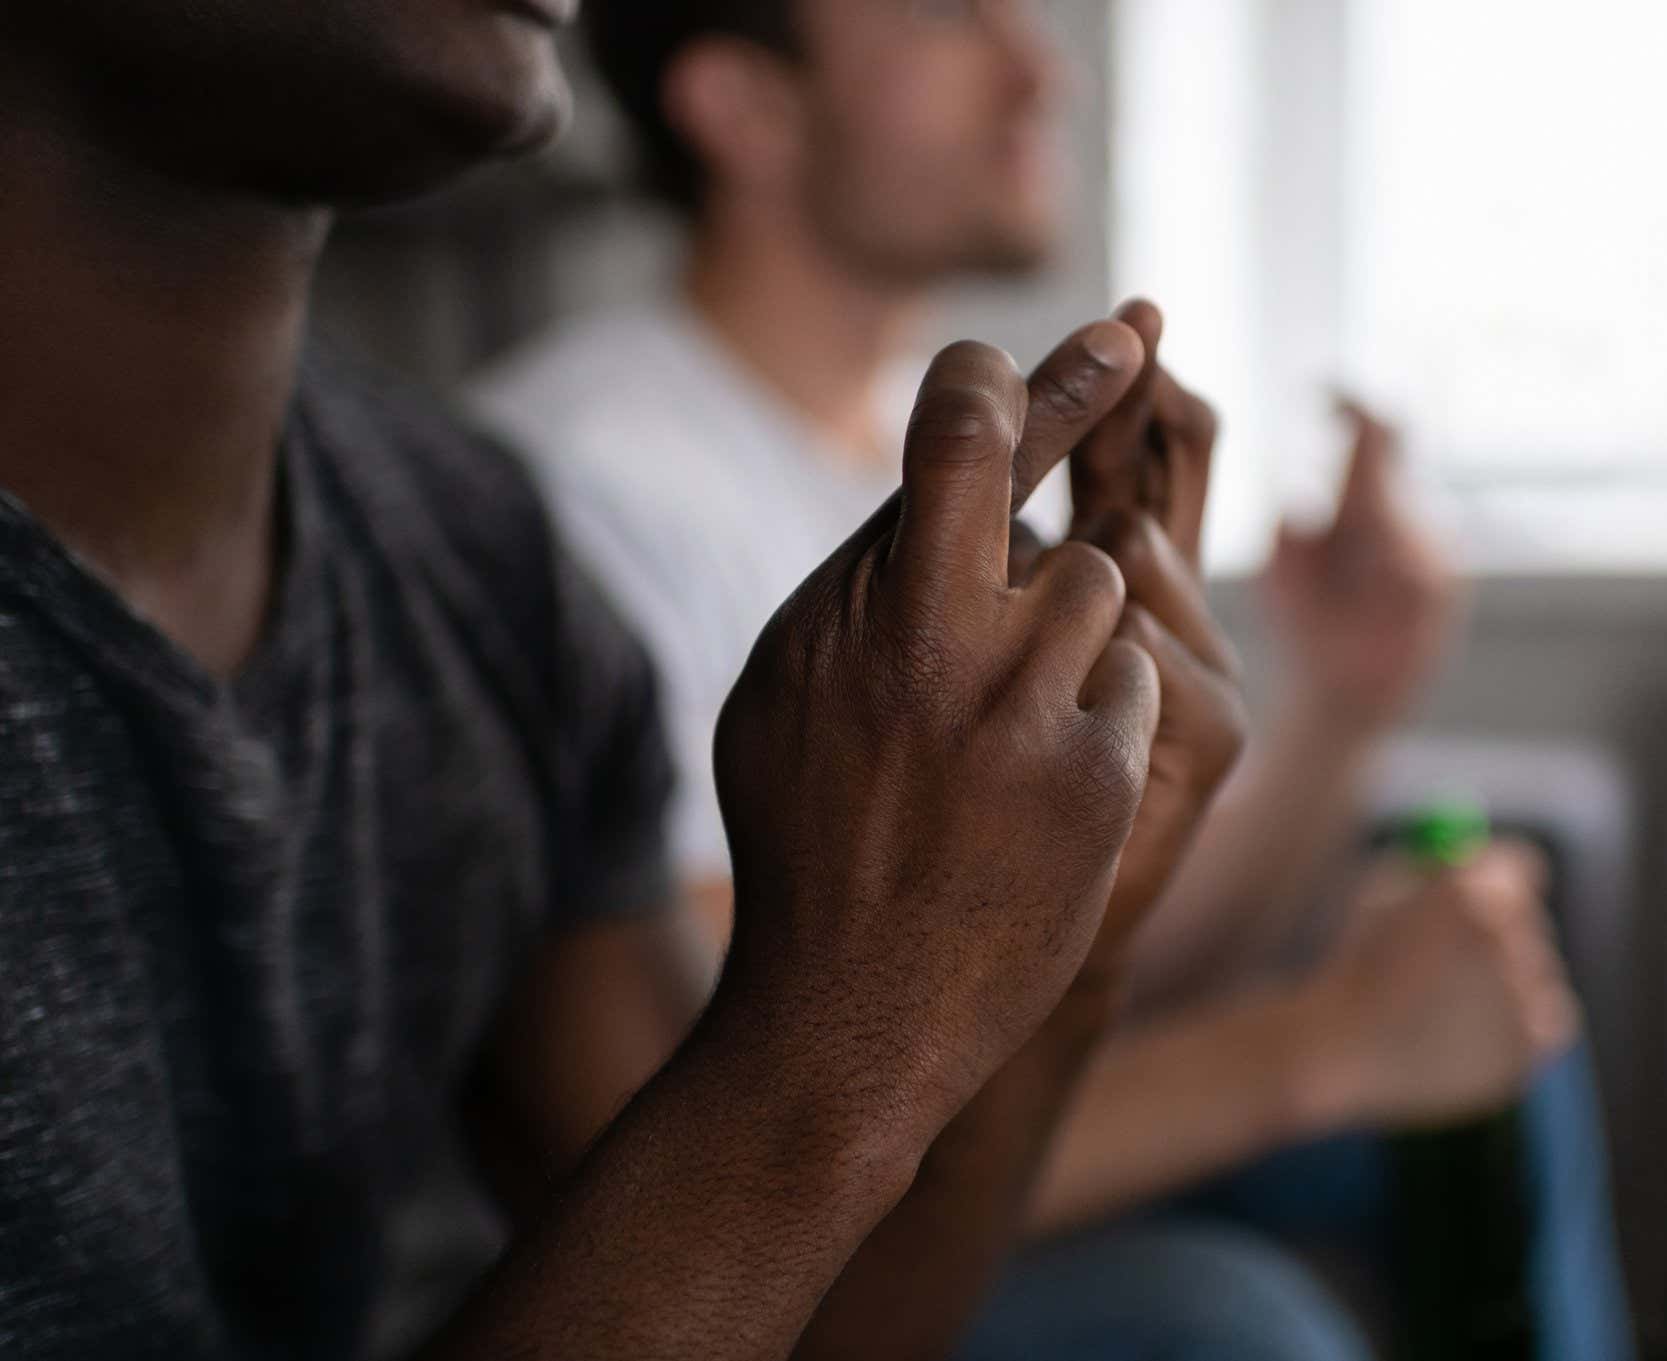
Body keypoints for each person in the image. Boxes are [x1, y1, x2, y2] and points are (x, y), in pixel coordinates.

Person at [0, 3, 1256, 1360]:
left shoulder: (477, 552)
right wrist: (851, 1038)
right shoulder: (583, 472)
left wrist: (1059, 953)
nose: (1035, 70)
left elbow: (785, 1314)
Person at [471, 1, 1632, 1356]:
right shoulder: (595, 479)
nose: (1038, 69)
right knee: (1229, 1327)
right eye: (941, 14)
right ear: (744, 105)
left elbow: (1093, 964)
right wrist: (1318, 1044)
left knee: (1490, 1040)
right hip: (763, 1274)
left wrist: (1340, 703)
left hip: (938, 1169)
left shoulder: (920, 451)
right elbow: (773, 1100)